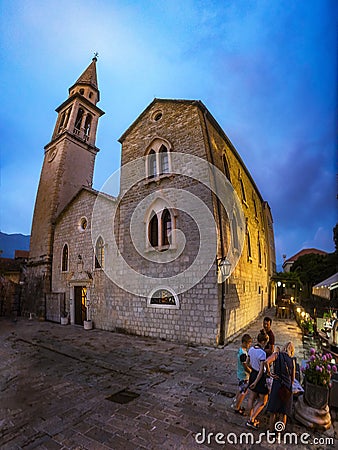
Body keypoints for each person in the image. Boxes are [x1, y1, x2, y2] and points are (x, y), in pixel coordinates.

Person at [265, 341, 295, 430]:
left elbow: (266, 361)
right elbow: (293, 378)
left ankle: (270, 432)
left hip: (277, 385)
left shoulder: (277, 355)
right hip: (287, 387)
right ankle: (279, 433)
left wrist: (269, 373)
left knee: (273, 412)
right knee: (283, 413)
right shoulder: (292, 361)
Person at [246, 331, 269, 429]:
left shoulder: (251, 349)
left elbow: (247, 363)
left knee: (251, 398)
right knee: (263, 400)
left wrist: (252, 369)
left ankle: (249, 417)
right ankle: (252, 419)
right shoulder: (262, 353)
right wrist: (256, 382)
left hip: (253, 373)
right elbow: (261, 371)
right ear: (263, 342)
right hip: (259, 377)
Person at [233, 333, 252, 415]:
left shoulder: (240, 350)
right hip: (244, 375)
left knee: (240, 390)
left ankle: (236, 403)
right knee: (243, 392)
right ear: (244, 342)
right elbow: (245, 366)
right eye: (249, 343)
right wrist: (251, 372)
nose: (249, 345)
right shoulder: (243, 354)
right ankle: (237, 407)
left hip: (240, 373)